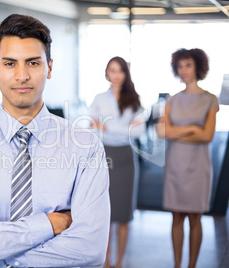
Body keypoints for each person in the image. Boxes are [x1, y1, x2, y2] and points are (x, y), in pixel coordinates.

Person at [0, 14, 110, 268]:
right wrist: (51, 223)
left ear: (49, 68)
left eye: (32, 63)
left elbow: (90, 249)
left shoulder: (86, 147)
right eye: (9, 64)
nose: (21, 76)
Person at [157, 48, 219, 268]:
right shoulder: (172, 100)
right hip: (175, 165)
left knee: (195, 218)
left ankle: (191, 265)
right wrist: (193, 128)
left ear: (198, 67)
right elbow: (162, 132)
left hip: (198, 166)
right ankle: (177, 265)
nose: (183, 70)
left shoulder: (210, 99)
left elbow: (207, 135)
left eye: (188, 65)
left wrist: (178, 130)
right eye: (180, 66)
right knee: (176, 217)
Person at [89, 56, 145, 268]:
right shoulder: (98, 98)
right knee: (106, 213)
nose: (116, 75)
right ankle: (107, 263)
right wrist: (120, 130)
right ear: (107, 73)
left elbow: (138, 131)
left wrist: (108, 128)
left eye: (120, 70)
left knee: (124, 213)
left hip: (126, 158)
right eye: (112, 70)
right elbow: (93, 129)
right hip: (105, 156)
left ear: (125, 73)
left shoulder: (134, 99)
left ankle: (120, 262)